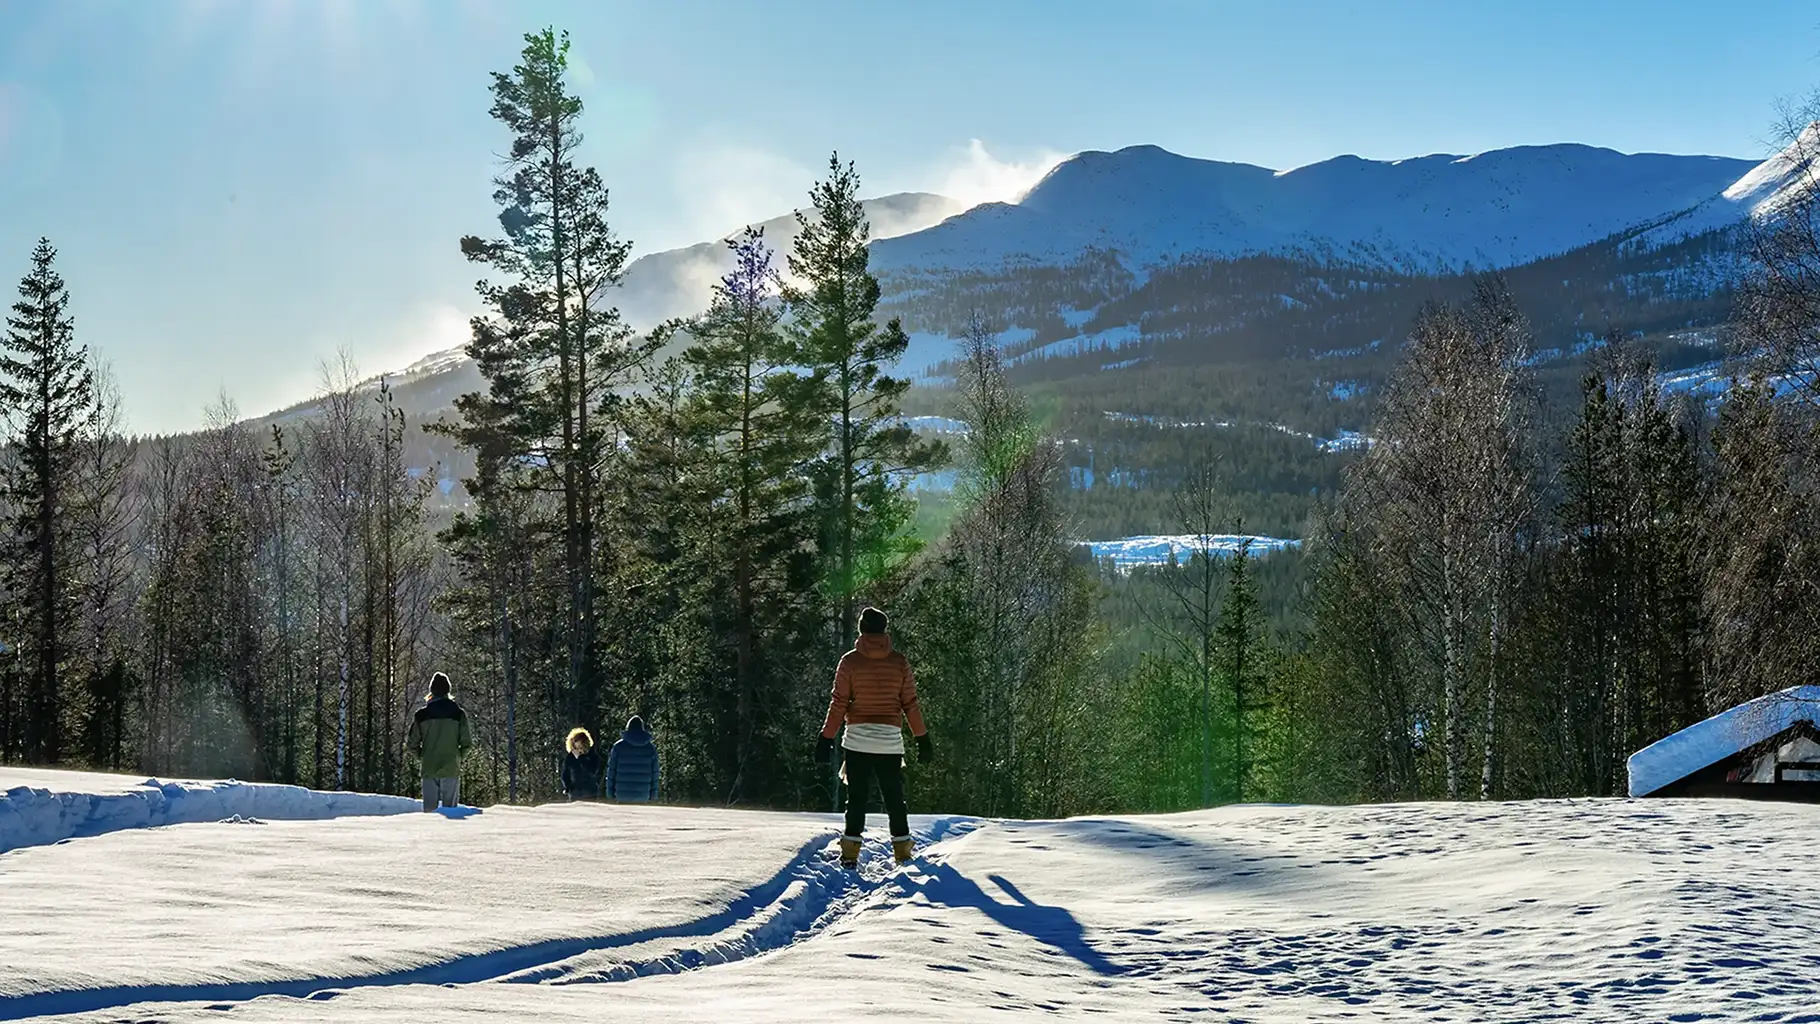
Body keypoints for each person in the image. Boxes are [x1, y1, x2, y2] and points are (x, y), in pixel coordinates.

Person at [816, 606, 933, 869]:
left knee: (856, 798)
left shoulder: (849, 662)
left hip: (857, 739)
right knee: (894, 797)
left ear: (861, 630)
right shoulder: (899, 662)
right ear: (884, 630)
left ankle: (849, 854)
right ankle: (902, 852)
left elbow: (838, 704)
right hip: (890, 740)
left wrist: (825, 738)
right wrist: (922, 739)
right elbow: (910, 704)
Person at [407, 672, 471, 812]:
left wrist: (423, 756)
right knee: (451, 811)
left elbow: (412, 745)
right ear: (448, 690)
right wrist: (458, 757)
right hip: (451, 766)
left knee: (430, 812)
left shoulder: (421, 715)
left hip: (429, 766)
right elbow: (467, 744)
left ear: (431, 691)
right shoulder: (458, 714)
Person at [606, 715, 660, 803]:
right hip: (643, 795)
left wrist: (610, 793)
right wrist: (653, 795)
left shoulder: (618, 747)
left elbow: (611, 771)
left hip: (621, 795)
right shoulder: (650, 748)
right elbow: (655, 773)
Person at [561, 727, 604, 801]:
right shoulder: (570, 756)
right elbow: (565, 773)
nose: (578, 744)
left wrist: (581, 758)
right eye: (575, 741)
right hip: (575, 792)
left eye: (580, 741)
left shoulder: (592, 755)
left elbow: (593, 771)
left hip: (590, 792)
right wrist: (567, 787)